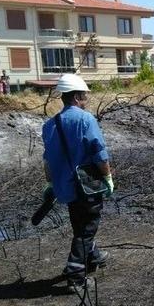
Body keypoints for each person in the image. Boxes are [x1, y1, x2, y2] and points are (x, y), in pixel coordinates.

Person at [41, 74, 114, 291]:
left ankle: (93, 256)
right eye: (85, 96)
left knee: (80, 224)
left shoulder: (49, 125)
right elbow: (99, 154)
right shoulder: (85, 119)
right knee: (87, 228)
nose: (87, 100)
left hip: (66, 187)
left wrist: (50, 184)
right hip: (87, 186)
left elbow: (47, 160)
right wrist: (107, 177)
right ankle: (75, 277)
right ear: (76, 97)